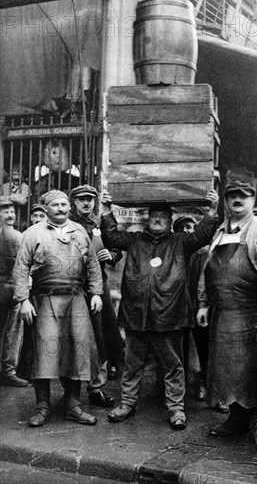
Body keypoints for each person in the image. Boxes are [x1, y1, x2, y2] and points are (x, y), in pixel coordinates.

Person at [100, 189, 219, 430]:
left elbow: (203, 235)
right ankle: (127, 403)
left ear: (169, 220)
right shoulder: (134, 240)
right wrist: (105, 210)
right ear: (147, 218)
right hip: (136, 314)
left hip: (169, 314)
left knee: (173, 365)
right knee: (132, 363)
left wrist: (212, 210)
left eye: (162, 216)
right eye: (153, 214)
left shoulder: (180, 241)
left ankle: (176, 409)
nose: (157, 218)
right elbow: (111, 237)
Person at [197, 177, 257, 450]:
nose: (237, 199)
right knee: (226, 370)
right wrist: (203, 304)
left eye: (244, 195)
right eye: (232, 195)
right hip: (223, 313)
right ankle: (235, 419)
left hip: (252, 311)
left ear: (253, 200)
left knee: (254, 371)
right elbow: (207, 271)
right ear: (226, 200)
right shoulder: (219, 231)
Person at [12, 190, 103, 427]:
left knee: (78, 348)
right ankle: (42, 405)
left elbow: (93, 264)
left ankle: (73, 404)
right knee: (44, 350)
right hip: (44, 300)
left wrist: (96, 293)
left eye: (64, 204)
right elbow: (21, 268)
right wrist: (23, 300)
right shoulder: (33, 233)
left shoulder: (80, 231)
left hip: (76, 299)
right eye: (55, 205)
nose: (61, 208)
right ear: (46, 208)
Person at [70, 184, 124, 408]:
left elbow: (117, 249)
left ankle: (96, 386)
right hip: (73, 286)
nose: (86, 203)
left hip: (97, 286)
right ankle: (71, 390)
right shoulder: (68, 224)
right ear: (74, 202)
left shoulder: (100, 224)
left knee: (101, 333)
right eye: (82, 199)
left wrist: (110, 254)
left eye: (90, 199)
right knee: (74, 336)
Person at [173, 214, 228, 414]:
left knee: (207, 351)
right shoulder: (174, 253)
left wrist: (204, 304)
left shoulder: (204, 253)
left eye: (190, 227)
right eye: (182, 228)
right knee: (179, 351)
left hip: (199, 308)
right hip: (178, 310)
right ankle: (181, 393)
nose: (187, 231)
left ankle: (213, 391)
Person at [0, 196, 28, 387]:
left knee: (13, 333)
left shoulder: (19, 236)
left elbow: (24, 266)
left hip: (14, 289)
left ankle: (8, 371)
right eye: (5, 211)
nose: (10, 215)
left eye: (12, 211)